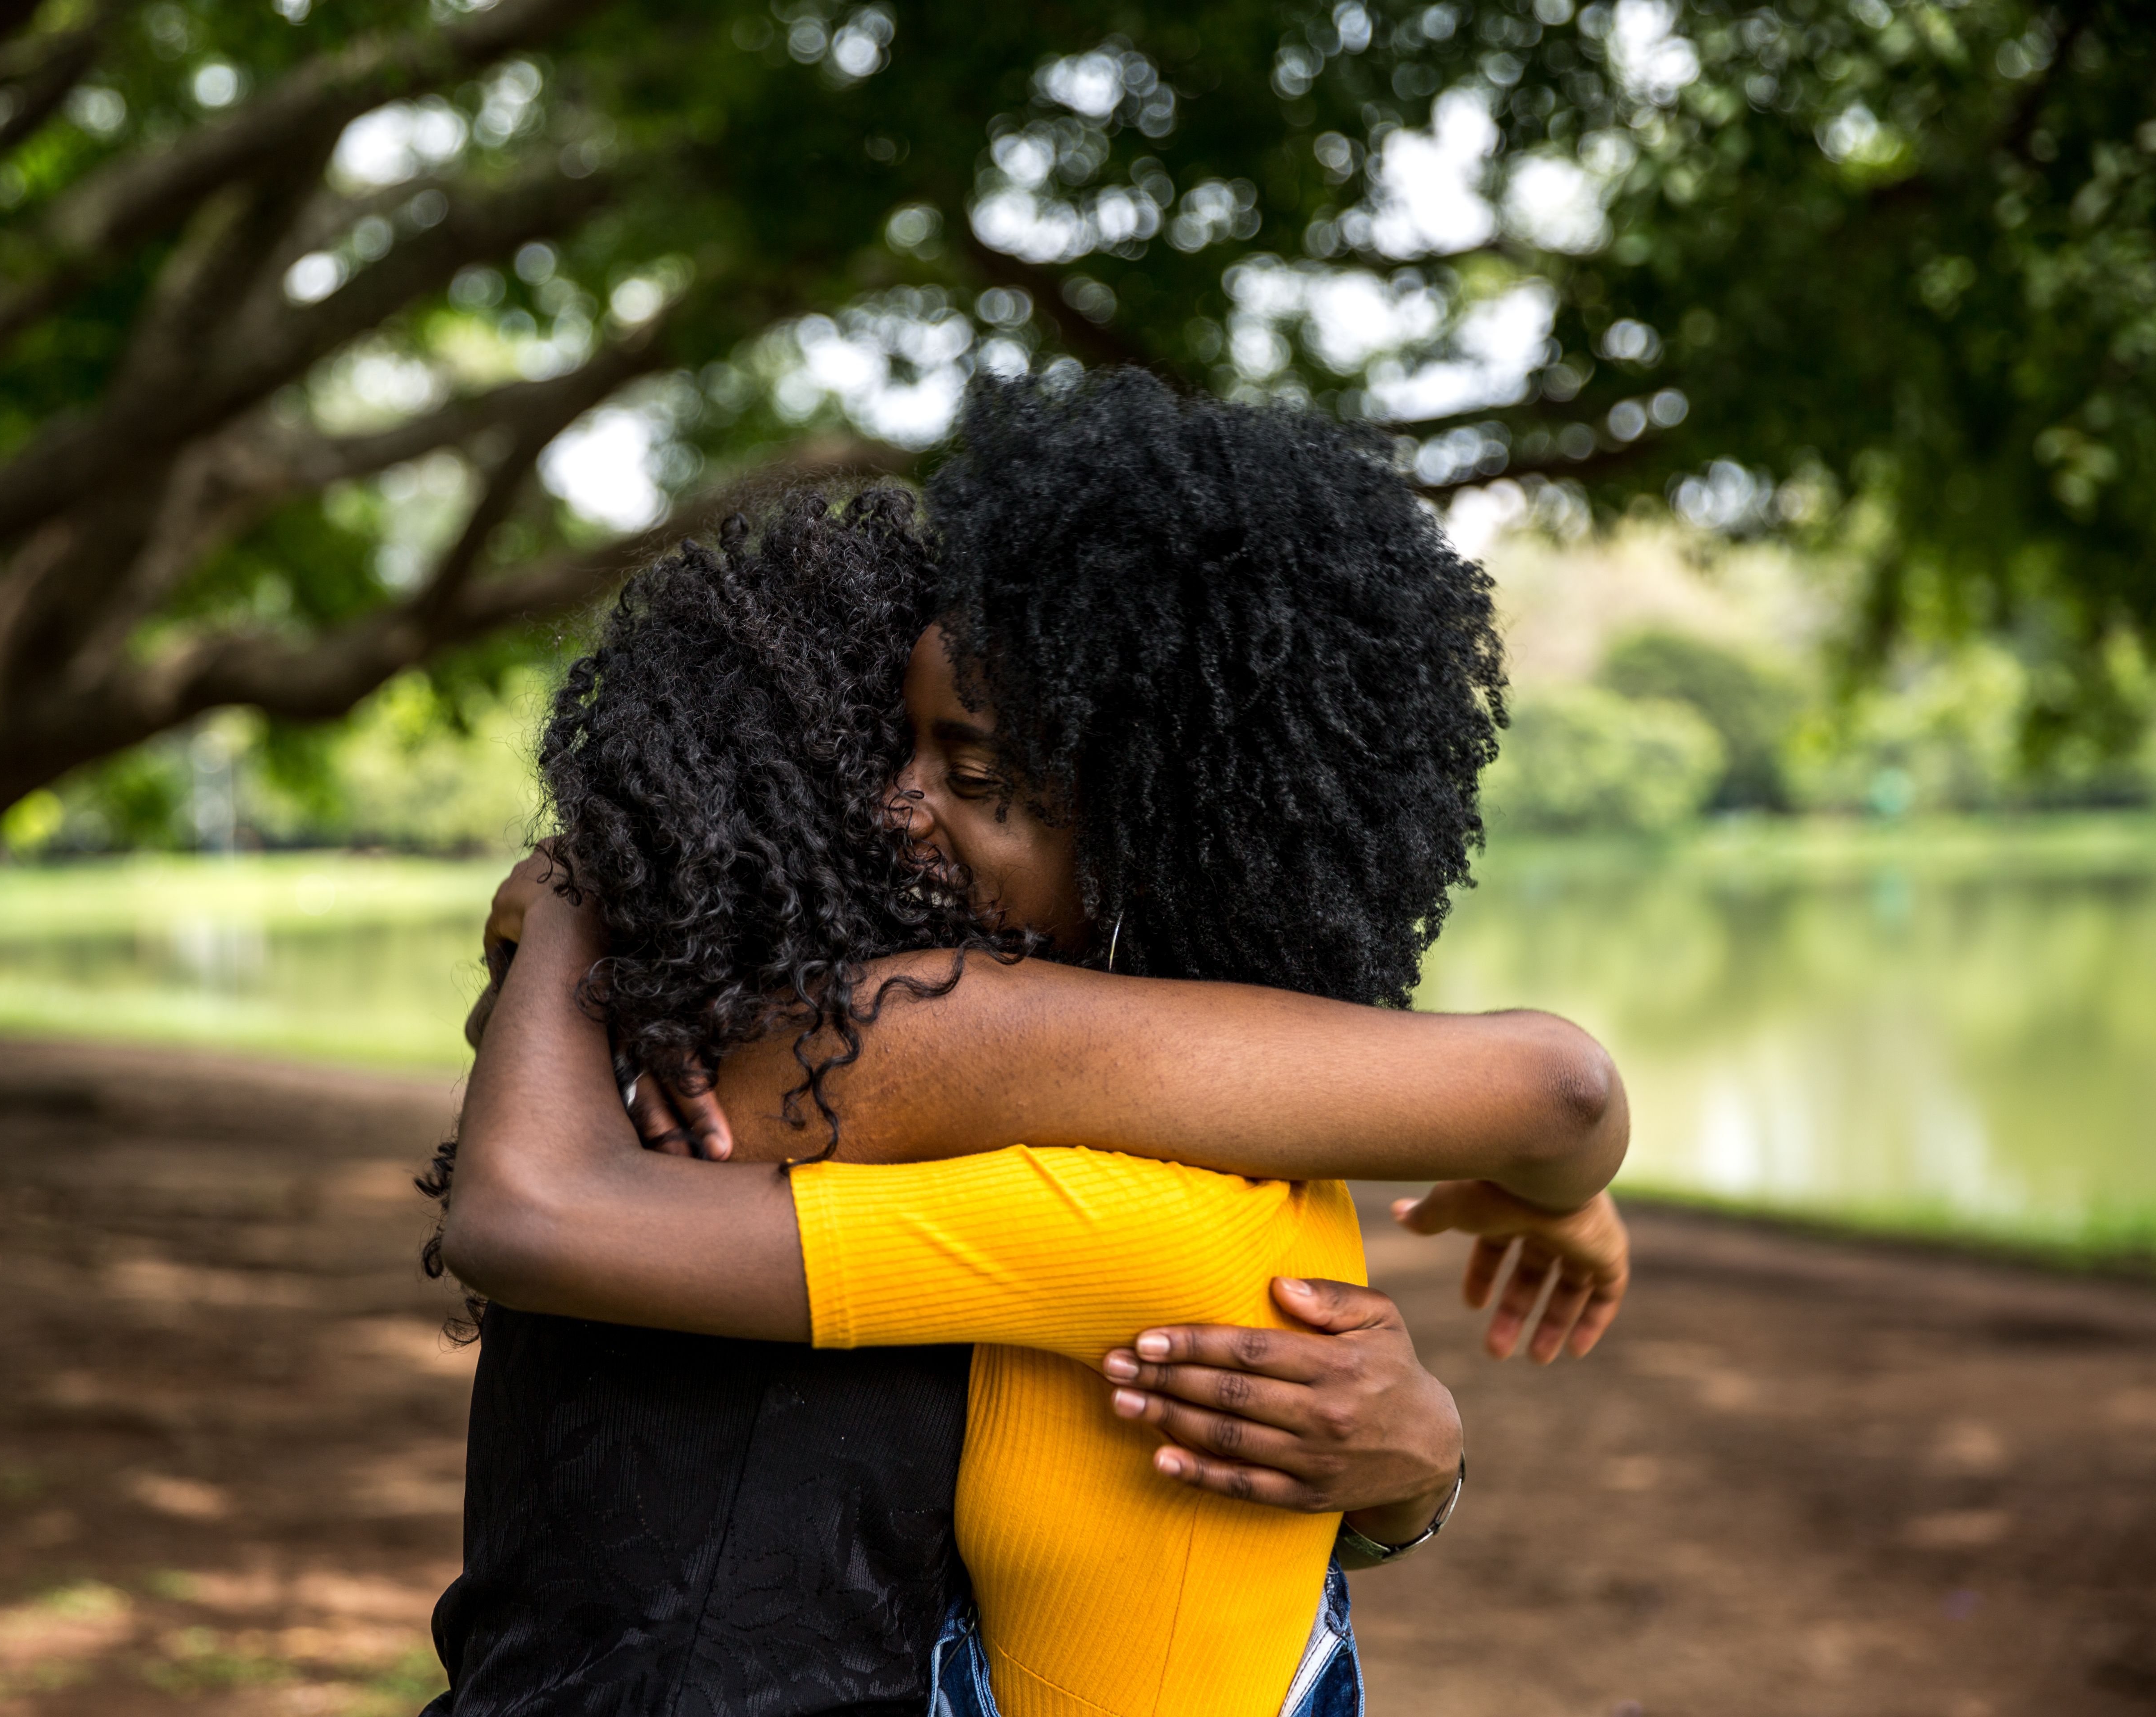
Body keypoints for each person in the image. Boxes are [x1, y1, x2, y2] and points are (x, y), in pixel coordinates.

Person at [431, 375, 1629, 1717]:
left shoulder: (991, 1041)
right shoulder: (1064, 1078)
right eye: (891, 747)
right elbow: (1556, 1100)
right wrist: (1552, 1220)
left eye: (982, 781)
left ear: (1160, 847)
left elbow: (1556, 1090)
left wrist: (580, 893)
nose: (896, 807)